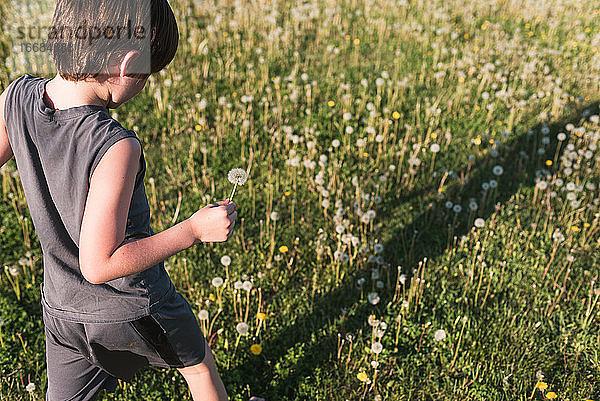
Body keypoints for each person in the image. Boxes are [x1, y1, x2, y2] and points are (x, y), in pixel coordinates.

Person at [0, 0, 236, 399]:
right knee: (197, 367)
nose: (144, 84)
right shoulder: (115, 146)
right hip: (131, 307)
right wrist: (193, 230)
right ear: (127, 65)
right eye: (147, 74)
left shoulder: (15, 97)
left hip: (62, 311)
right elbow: (99, 264)